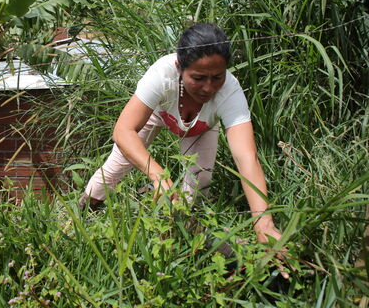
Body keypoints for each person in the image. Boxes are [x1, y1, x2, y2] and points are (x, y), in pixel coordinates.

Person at [79, 23, 282, 243]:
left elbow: (246, 158)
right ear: (179, 67)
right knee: (114, 168)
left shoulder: (229, 91)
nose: (208, 88)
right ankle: (81, 219)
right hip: (159, 114)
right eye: (198, 78)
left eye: (217, 77)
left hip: (201, 128)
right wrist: (158, 175)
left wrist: (264, 222)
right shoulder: (162, 74)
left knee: (200, 181)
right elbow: (123, 131)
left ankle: (181, 238)